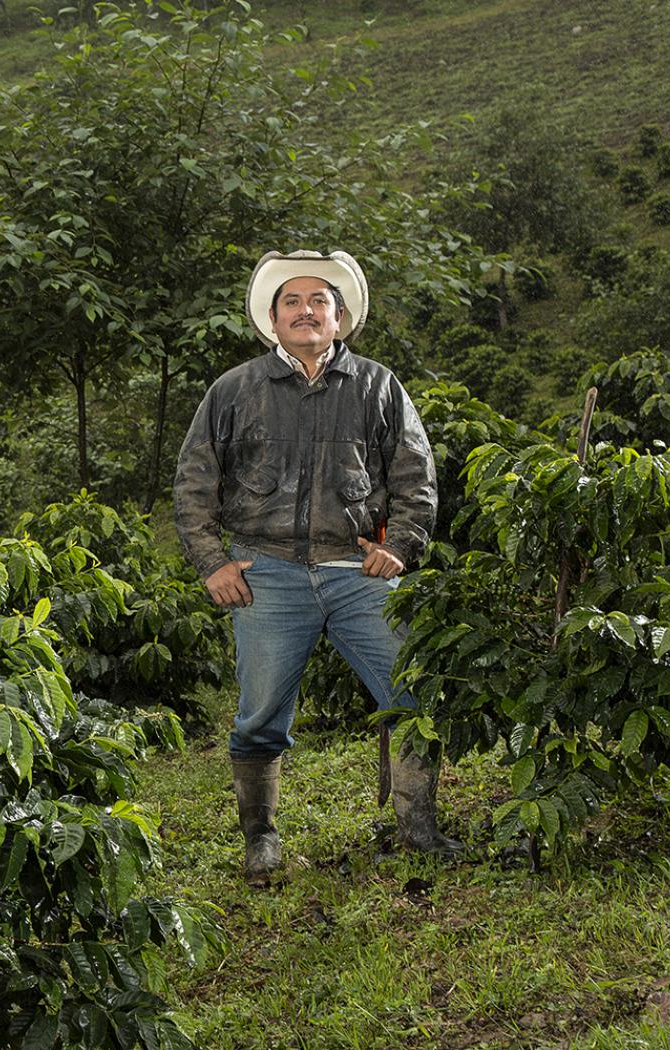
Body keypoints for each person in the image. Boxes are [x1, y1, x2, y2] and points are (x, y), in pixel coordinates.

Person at [172, 249, 459, 885]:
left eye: (319, 301)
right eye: (293, 302)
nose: (307, 311)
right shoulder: (234, 390)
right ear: (273, 319)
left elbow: (416, 477)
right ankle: (261, 838)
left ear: (339, 317)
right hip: (267, 572)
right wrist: (212, 562)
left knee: (414, 692)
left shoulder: (379, 386)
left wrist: (402, 547)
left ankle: (418, 829)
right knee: (260, 712)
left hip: (359, 574)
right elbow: (194, 484)